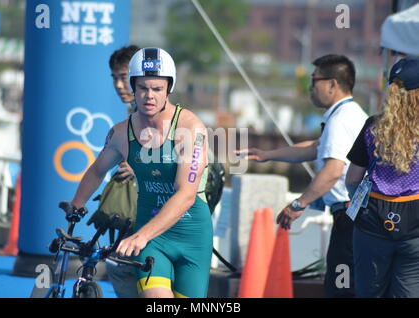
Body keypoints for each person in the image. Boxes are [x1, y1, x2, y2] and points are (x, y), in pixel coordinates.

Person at [71, 47, 213, 298]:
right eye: (142, 88)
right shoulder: (120, 133)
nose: (149, 96)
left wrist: (139, 236)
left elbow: (186, 195)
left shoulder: (191, 129)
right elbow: (96, 171)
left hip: (192, 237)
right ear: (133, 88)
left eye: (157, 89)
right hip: (151, 239)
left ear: (168, 89)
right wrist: (76, 205)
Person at [236, 54, 368, 297]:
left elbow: (332, 171)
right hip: (356, 216)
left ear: (332, 84)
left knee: (341, 289)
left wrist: (298, 205)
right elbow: (315, 148)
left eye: (314, 80)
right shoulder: (350, 114)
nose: (310, 88)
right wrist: (268, 155)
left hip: (349, 217)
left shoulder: (341, 120)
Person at [346, 56, 419, 298]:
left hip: (373, 218)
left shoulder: (372, 127)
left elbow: (353, 178)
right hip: (415, 220)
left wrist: (359, 203)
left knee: (369, 292)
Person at [102, 45, 140, 298]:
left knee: (120, 266)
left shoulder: (166, 116)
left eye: (123, 76)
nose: (118, 84)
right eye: (115, 77)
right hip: (139, 213)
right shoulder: (132, 115)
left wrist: (138, 166)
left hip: (164, 215)